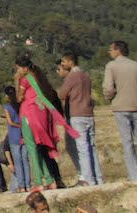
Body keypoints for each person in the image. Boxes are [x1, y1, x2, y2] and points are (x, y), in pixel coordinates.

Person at [15, 53, 75, 190]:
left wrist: (17, 83)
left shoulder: (25, 80)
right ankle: (49, 179)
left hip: (28, 115)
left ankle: (38, 181)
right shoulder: (39, 78)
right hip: (41, 113)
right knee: (40, 148)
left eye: (18, 68)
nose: (17, 71)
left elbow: (19, 98)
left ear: (24, 68)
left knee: (32, 149)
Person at [103, 39, 137, 180]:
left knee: (127, 142)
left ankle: (135, 176)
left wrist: (110, 98)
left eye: (111, 49)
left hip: (121, 108)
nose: (109, 52)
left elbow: (108, 88)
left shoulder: (111, 66)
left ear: (117, 50)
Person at [57, 52, 102, 186]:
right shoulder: (86, 76)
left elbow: (62, 94)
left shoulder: (72, 76)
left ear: (71, 62)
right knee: (91, 147)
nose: (63, 64)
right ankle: (98, 178)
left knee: (82, 148)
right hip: (88, 113)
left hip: (77, 114)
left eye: (64, 62)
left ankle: (88, 179)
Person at [1, 85, 32, 191]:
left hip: (14, 135)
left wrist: (18, 126)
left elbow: (10, 122)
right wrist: (23, 127)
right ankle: (28, 185)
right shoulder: (20, 104)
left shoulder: (7, 107)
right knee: (25, 160)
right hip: (24, 134)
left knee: (18, 161)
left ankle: (21, 185)